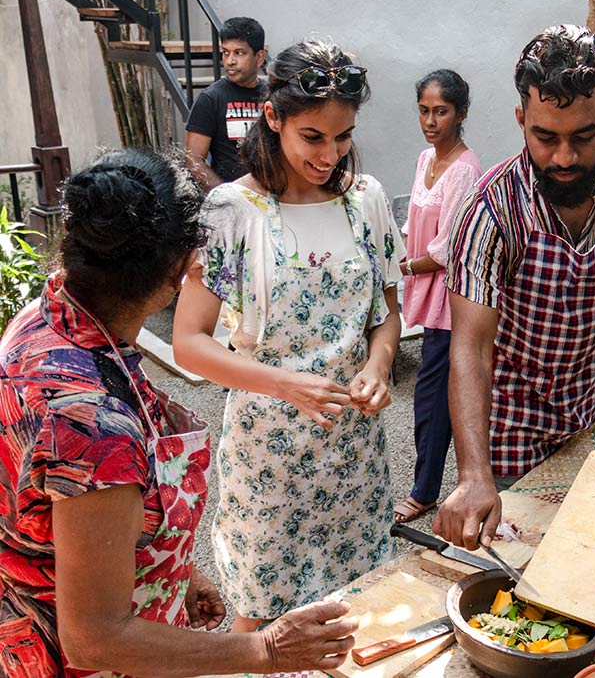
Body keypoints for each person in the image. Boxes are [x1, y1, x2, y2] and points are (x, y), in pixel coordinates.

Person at [0, 150, 358, 677]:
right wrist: (268, 650)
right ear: (177, 270)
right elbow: (95, 638)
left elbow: (78, 524)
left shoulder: (49, 314)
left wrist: (174, 569)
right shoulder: (94, 424)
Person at [173, 37, 404, 632]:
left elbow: (385, 314)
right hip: (267, 459)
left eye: (344, 135)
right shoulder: (231, 210)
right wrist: (285, 384)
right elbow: (189, 343)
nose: (332, 154)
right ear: (272, 117)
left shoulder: (367, 201)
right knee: (261, 626)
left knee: (357, 616)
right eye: (314, 137)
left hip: (354, 455)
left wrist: (379, 365)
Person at [433, 24, 595, 550]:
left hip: (591, 412)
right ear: (521, 119)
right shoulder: (489, 207)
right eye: (545, 137)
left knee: (589, 552)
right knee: (511, 570)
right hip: (506, 421)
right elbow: (472, 346)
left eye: (585, 136)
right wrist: (474, 473)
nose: (565, 158)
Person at [393, 69, 482, 523]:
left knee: (432, 396)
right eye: (424, 111)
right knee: (436, 392)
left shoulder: (465, 171)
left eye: (441, 111)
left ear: (461, 113)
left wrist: (402, 266)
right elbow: (413, 223)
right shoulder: (425, 159)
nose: (431, 120)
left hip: (453, 301)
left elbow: (447, 248)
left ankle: (424, 489)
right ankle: (429, 483)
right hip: (428, 296)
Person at [185, 17, 267, 191]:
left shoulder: (273, 96)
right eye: (225, 52)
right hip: (229, 201)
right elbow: (193, 160)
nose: (230, 61)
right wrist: (225, 194)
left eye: (239, 53)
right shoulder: (211, 98)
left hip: (273, 197)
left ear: (259, 58)